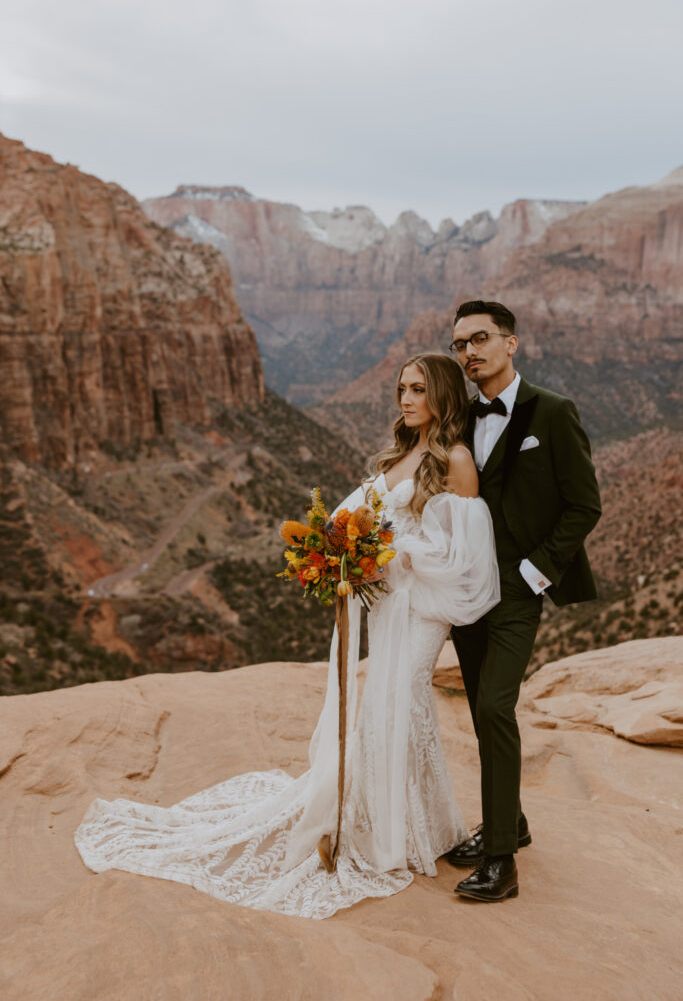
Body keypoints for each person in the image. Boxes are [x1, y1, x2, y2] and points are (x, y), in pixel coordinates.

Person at [74, 353, 500, 919]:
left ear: (443, 394)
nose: (405, 398)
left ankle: (403, 830)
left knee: (401, 703)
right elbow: (353, 516)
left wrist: (390, 556)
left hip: (420, 610)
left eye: (418, 389)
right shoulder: (398, 457)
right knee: (382, 705)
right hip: (384, 604)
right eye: (401, 388)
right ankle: (397, 825)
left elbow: (466, 561)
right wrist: (341, 552)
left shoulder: (456, 460)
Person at [445, 300, 602, 901]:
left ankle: (501, 862)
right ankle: (510, 819)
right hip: (467, 586)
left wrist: (538, 571)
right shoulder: (458, 415)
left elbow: (584, 504)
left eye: (480, 339)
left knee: (493, 708)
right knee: (485, 709)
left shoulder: (555, 412)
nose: (469, 353)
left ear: (512, 343)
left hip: (517, 586)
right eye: (460, 344)